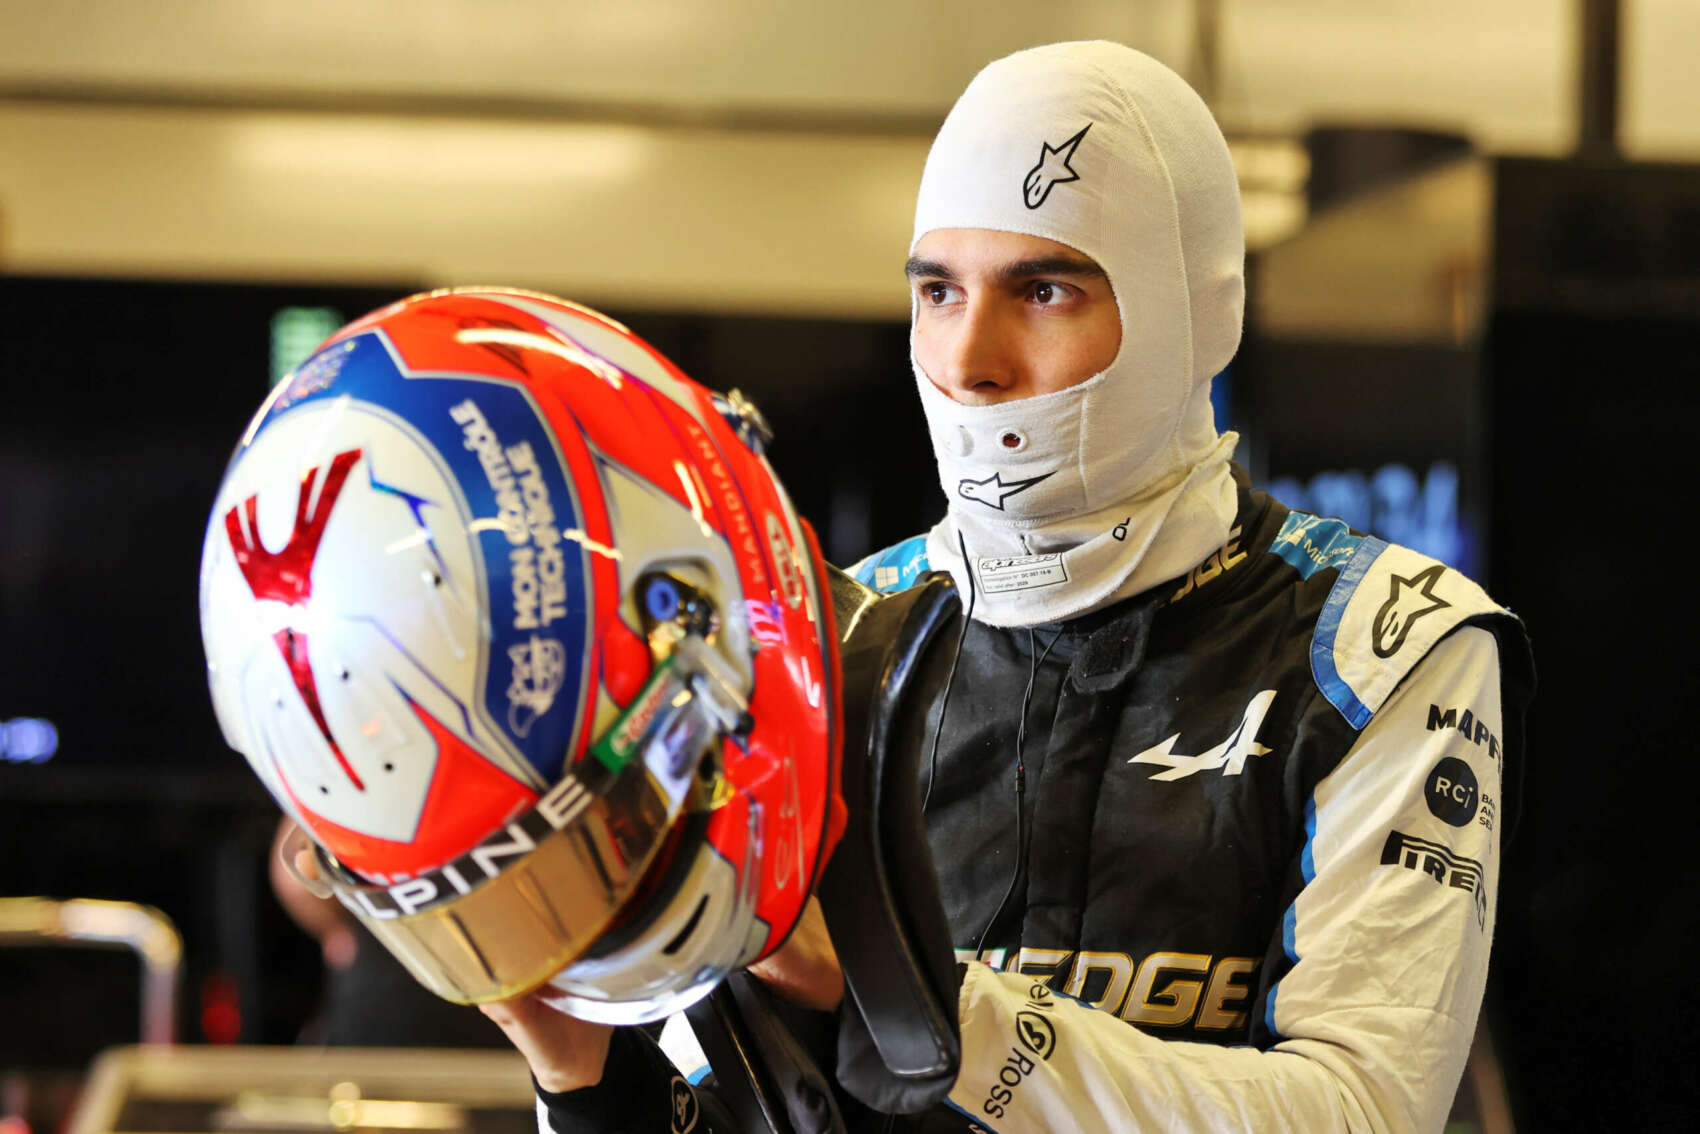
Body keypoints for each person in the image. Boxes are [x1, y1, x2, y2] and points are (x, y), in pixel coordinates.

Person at [510, 40, 1537, 1133]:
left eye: (1042, 290)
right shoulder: (828, 643)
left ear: (1196, 312)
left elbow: (1364, 1111)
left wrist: (937, 1014)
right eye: (937, 291)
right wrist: (580, 1074)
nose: (969, 358)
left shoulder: (1381, 647)